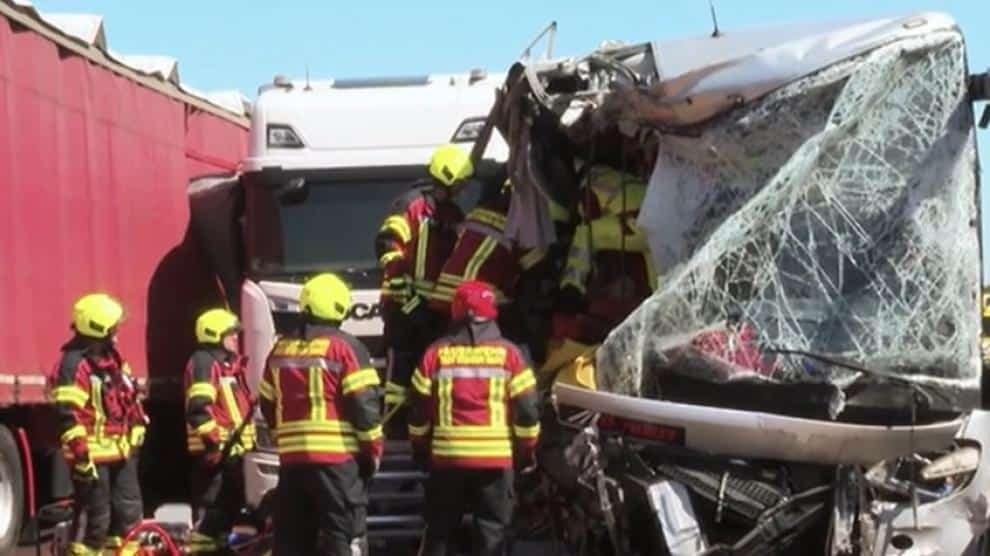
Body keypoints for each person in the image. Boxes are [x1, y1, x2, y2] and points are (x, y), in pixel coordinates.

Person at [408, 280, 541, 556]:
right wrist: (525, 452)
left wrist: (421, 448)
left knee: (440, 533)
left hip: (447, 459)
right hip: (496, 460)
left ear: (455, 311)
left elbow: (417, 409)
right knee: (492, 534)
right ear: (492, 312)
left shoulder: (435, 354)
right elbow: (528, 410)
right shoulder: (511, 355)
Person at [258, 273, 383, 555]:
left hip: (292, 463)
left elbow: (266, 402)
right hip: (337, 463)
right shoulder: (346, 348)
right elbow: (364, 407)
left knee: (292, 540)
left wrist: (283, 439)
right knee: (343, 535)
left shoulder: (280, 349)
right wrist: (372, 450)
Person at [374, 143, 473, 418]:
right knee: (401, 370)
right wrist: (407, 298)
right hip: (404, 304)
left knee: (432, 369)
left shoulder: (453, 215)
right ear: (447, 178)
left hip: (435, 308)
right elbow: (387, 244)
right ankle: (394, 424)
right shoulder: (412, 205)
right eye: (461, 184)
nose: (463, 190)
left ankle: (427, 422)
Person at [50, 293, 148, 556]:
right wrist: (81, 455)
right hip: (92, 457)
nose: (117, 335)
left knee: (128, 513)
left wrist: (137, 423)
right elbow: (68, 415)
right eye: (113, 329)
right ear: (98, 328)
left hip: (120, 451)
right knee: (96, 519)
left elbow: (129, 396)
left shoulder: (113, 360)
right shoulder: (73, 365)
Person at [431, 180, 546, 351]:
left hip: (445, 296)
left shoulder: (477, 214)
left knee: (452, 352)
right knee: (511, 341)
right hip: (481, 296)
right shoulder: (520, 226)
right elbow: (535, 268)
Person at [555, 164, 657, 344]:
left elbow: (591, 222)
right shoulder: (615, 175)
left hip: (636, 221)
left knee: (586, 233)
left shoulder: (588, 186)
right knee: (657, 290)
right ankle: (657, 319)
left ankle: (572, 287)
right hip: (657, 225)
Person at [184, 308, 255, 553]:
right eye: (230, 334)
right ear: (214, 335)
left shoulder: (228, 365)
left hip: (231, 452)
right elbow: (198, 410)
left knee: (228, 509)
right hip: (214, 454)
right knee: (211, 511)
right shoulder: (205, 362)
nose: (236, 338)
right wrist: (213, 444)